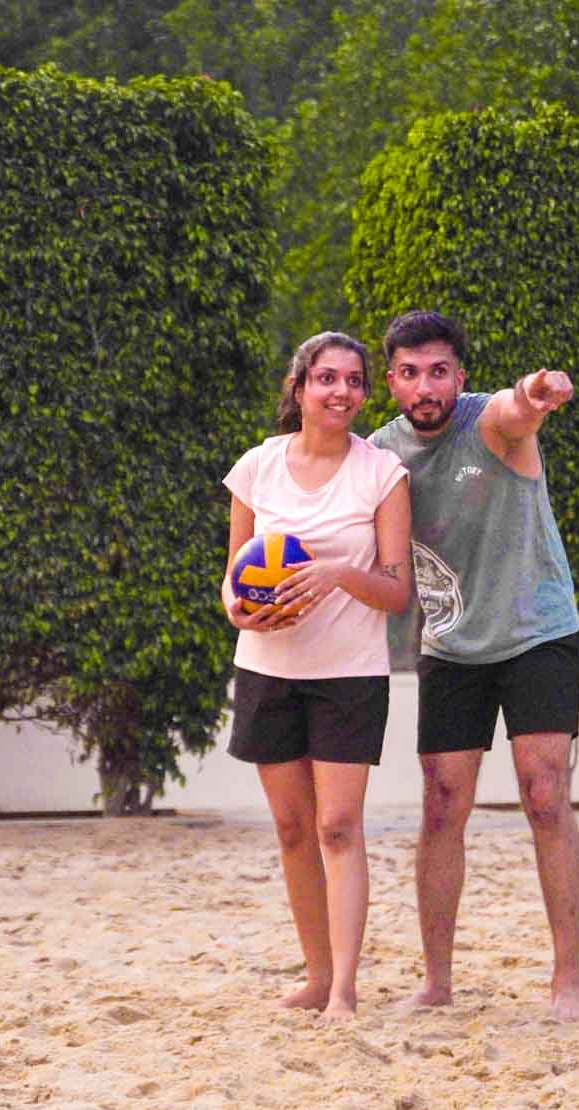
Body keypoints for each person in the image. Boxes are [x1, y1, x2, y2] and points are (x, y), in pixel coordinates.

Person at [366, 309, 579, 1022]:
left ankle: (568, 982)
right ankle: (437, 983)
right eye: (409, 373)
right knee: (441, 807)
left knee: (545, 793)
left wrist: (536, 391)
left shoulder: (488, 423)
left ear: (459, 377)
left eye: (439, 371)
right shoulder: (378, 456)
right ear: (392, 381)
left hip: (537, 633)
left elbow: (515, 409)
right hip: (451, 645)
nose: (425, 385)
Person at [222, 331, 412, 1021]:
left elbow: (397, 592)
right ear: (299, 388)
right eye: (327, 378)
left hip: (349, 674)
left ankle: (344, 989)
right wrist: (240, 612)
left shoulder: (381, 473)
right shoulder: (256, 468)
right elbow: (233, 577)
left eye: (355, 380)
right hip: (268, 670)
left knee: (338, 825)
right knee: (293, 828)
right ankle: (315, 972)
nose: (341, 391)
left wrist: (338, 574)